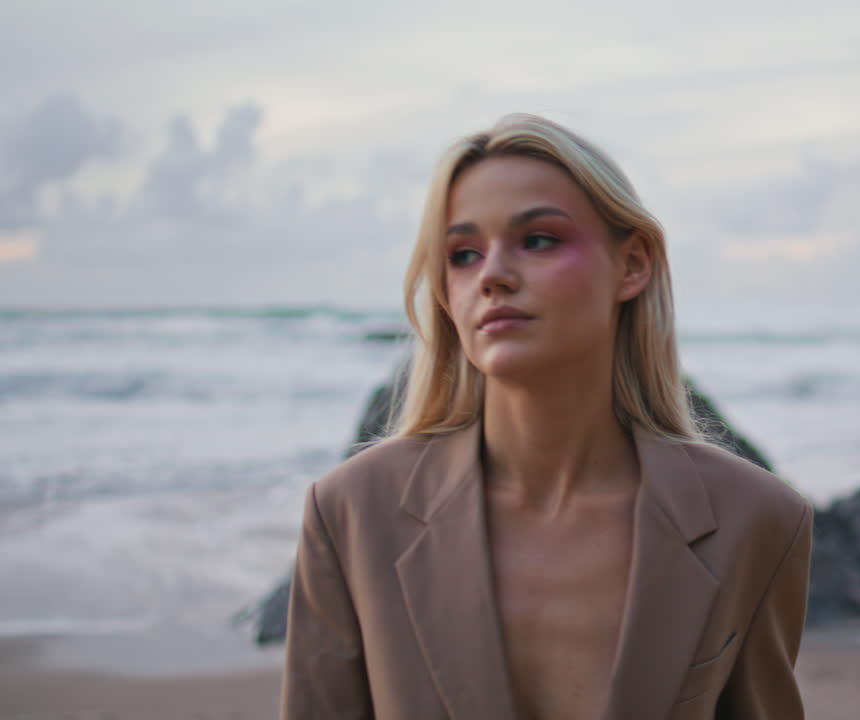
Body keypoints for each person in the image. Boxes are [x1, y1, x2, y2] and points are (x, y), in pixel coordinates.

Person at [280, 114, 814, 720]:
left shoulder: (755, 519)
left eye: (538, 240)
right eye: (462, 254)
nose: (493, 276)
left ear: (633, 264)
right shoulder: (352, 513)